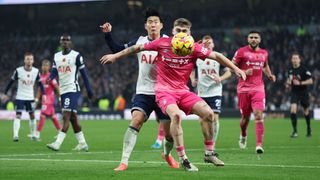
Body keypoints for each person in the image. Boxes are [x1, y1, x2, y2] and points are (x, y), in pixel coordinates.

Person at [100, 18, 246, 171]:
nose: (181, 34)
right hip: (164, 91)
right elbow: (137, 48)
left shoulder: (193, 47)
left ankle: (209, 153)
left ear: (189, 33)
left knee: (208, 114)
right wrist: (115, 56)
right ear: (172, 31)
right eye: (178, 31)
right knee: (175, 116)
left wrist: (236, 69)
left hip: (183, 91)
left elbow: (216, 56)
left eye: (185, 31)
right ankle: (184, 159)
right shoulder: (163, 43)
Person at [100, 8, 179, 171]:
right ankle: (124, 161)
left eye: (156, 22)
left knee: (169, 134)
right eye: (150, 22)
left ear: (161, 25)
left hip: (163, 92)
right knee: (136, 120)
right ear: (145, 26)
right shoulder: (140, 41)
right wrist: (108, 34)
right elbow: (117, 49)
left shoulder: (170, 42)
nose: (153, 25)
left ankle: (166, 154)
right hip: (143, 91)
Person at [46, 35, 93, 151]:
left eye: (67, 40)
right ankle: (83, 143)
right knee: (73, 118)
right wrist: (49, 78)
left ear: (70, 42)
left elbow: (84, 75)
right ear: (60, 42)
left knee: (66, 115)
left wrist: (89, 90)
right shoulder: (56, 56)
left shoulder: (76, 56)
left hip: (72, 89)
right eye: (63, 40)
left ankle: (57, 143)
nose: (65, 42)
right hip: (63, 91)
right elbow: (54, 70)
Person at [232, 30, 276, 154]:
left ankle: (259, 144)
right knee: (245, 118)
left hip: (258, 88)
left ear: (259, 40)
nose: (253, 39)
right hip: (243, 89)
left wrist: (270, 75)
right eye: (251, 37)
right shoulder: (241, 51)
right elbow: (231, 66)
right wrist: (243, 72)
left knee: (258, 114)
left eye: (256, 37)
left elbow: (265, 66)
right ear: (248, 39)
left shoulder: (264, 53)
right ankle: (243, 134)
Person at [190, 35, 232, 151]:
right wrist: (192, 79)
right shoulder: (197, 57)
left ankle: (212, 144)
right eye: (205, 42)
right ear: (202, 44)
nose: (208, 44)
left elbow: (229, 72)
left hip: (215, 91)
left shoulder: (218, 57)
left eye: (210, 42)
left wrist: (221, 78)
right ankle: (208, 141)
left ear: (213, 45)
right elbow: (191, 69)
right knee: (202, 120)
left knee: (215, 118)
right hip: (202, 92)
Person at [1, 52, 46, 141]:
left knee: (32, 115)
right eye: (27, 59)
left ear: (33, 61)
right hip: (20, 97)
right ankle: (15, 135)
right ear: (24, 60)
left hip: (30, 97)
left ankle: (33, 135)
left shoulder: (36, 71)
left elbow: (40, 84)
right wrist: (5, 93)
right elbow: (11, 82)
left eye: (30, 59)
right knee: (18, 115)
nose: (29, 61)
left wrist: (44, 94)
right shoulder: (18, 71)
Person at [286, 53, 313, 138]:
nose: (294, 60)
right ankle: (295, 131)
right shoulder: (290, 70)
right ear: (291, 60)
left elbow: (311, 81)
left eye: (296, 58)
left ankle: (308, 128)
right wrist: (288, 83)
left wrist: (300, 83)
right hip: (294, 92)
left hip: (303, 92)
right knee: (293, 110)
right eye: (293, 58)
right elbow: (289, 80)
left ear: (299, 60)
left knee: (306, 111)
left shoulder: (303, 69)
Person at [34, 59, 62, 140]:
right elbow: (39, 89)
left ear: (49, 67)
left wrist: (60, 98)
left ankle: (37, 133)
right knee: (53, 116)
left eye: (46, 66)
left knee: (42, 114)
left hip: (49, 99)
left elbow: (57, 88)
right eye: (43, 65)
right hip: (44, 99)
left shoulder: (51, 77)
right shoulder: (40, 77)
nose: (44, 67)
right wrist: (36, 99)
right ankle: (60, 131)